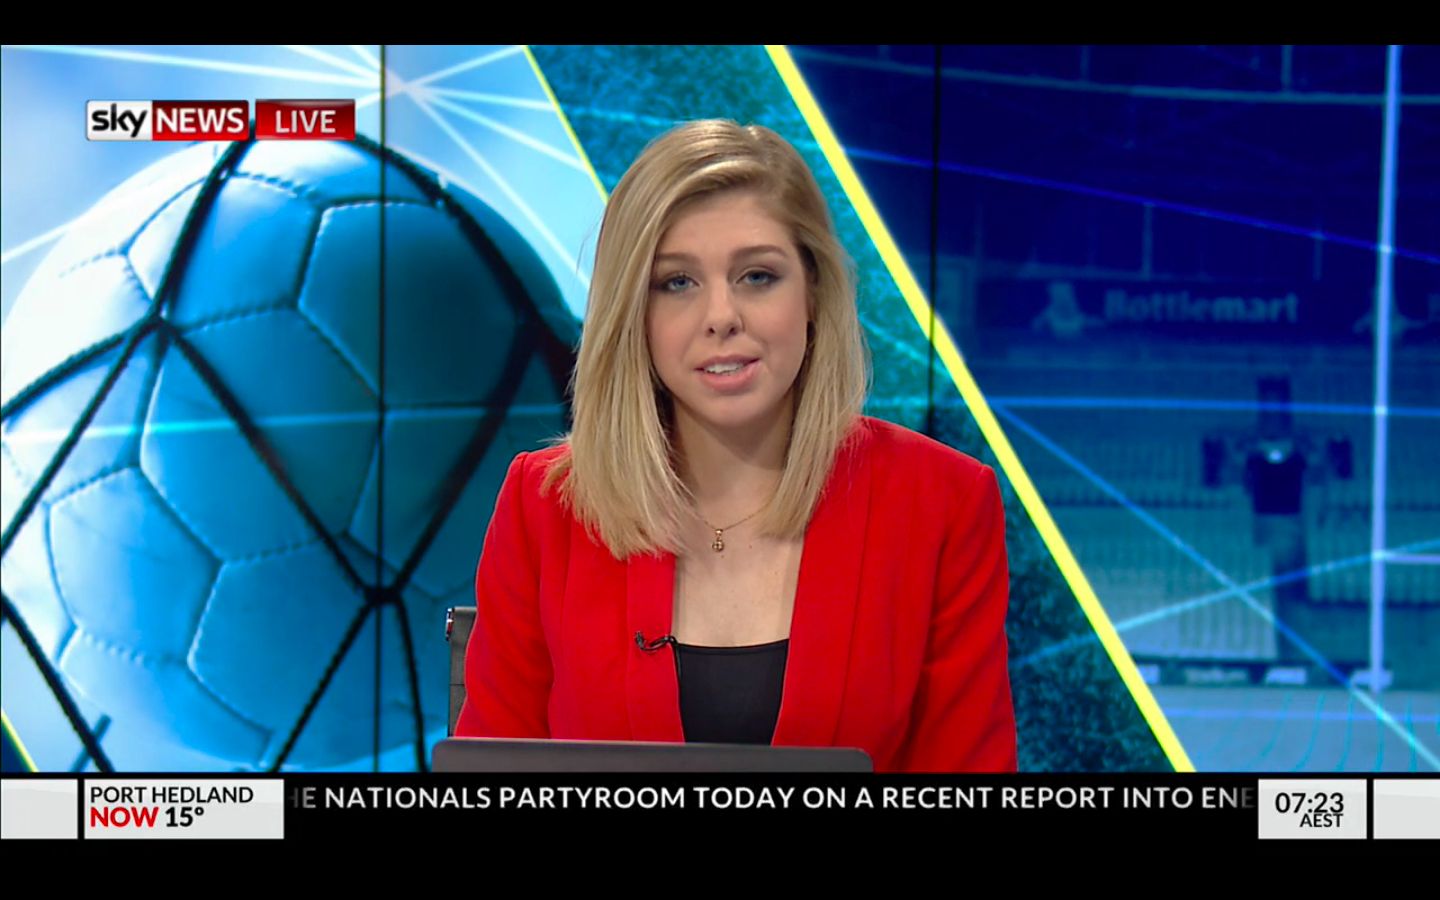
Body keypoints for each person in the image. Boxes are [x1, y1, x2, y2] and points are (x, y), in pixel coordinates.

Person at [455, 119, 1016, 772]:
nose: (721, 316)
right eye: (677, 283)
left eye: (756, 276)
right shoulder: (546, 505)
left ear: (813, 293)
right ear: (633, 314)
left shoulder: (940, 503)